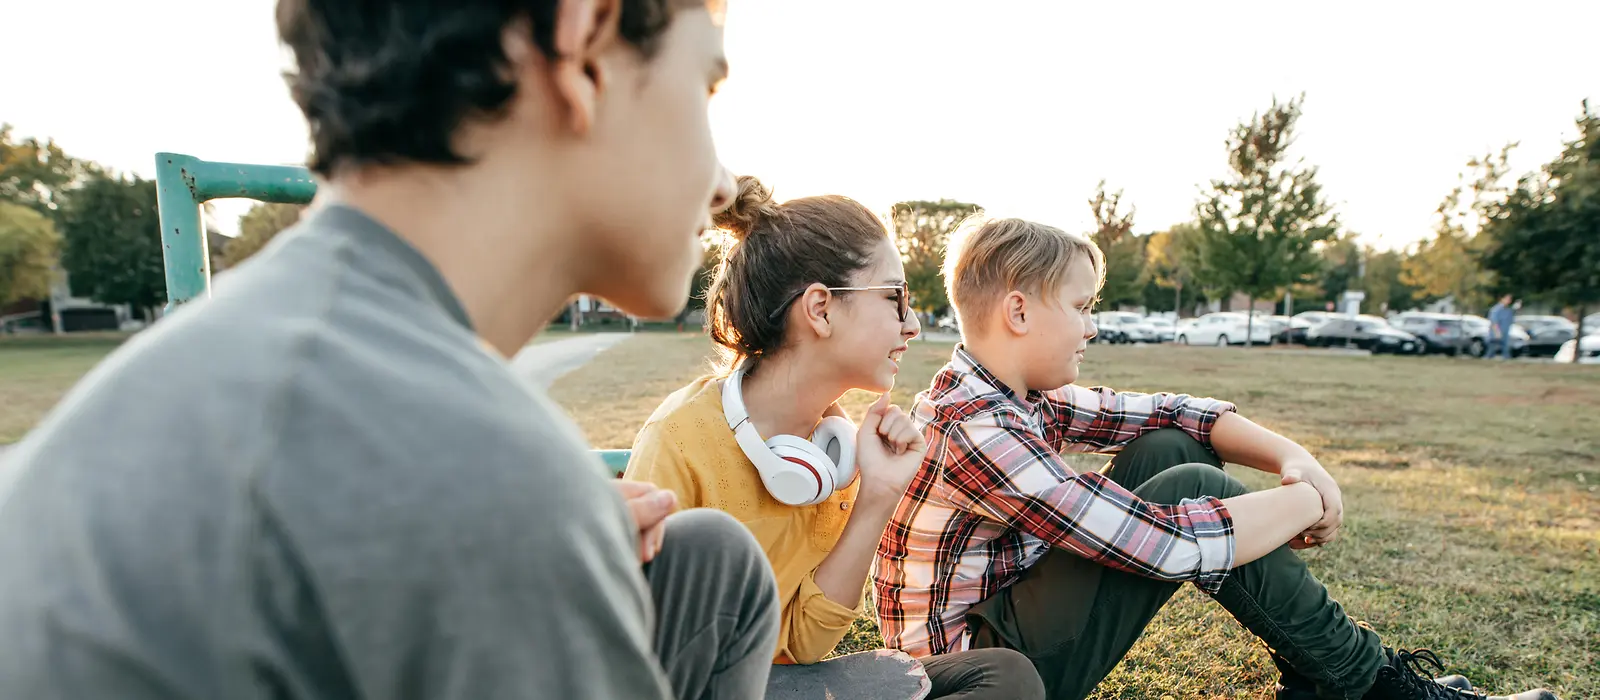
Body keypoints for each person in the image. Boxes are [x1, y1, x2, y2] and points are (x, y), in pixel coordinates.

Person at [0, 1, 781, 699]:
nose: (720, 186)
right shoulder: (483, 472)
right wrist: (528, 531)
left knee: (709, 565)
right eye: (705, 87)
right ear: (583, 42)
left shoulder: (260, 347)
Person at [871, 217, 1559, 700]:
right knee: (1195, 484)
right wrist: (1302, 503)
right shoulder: (976, 429)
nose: (1092, 325)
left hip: (1011, 613)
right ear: (1018, 313)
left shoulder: (1014, 394)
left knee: (1169, 446)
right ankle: (1368, 683)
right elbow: (1166, 546)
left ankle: (1325, 674)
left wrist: (1297, 458)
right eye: (1081, 307)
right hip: (980, 676)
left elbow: (1179, 413)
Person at [623, 176, 1046, 700]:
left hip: (788, 684)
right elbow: (634, 654)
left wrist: (877, 498)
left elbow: (804, 645)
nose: (912, 324)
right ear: (820, 308)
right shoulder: (680, 441)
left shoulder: (833, 456)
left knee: (1004, 676)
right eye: (895, 297)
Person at [1487, 294, 1516, 359]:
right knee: (1492, 350)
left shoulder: (1508, 310)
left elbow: (1511, 321)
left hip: (1505, 333)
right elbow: (1494, 322)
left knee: (1505, 350)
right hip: (1496, 333)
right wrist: (1497, 332)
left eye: (1509, 299)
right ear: (1502, 299)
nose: (1508, 301)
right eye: (1507, 299)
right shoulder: (1496, 309)